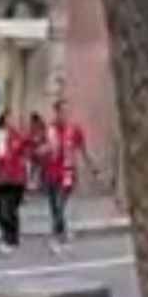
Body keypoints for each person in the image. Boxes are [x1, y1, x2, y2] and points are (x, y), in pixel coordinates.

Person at [40, 98, 96, 255]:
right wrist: (43, 150)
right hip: (51, 174)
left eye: (67, 111)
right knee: (54, 208)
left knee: (59, 205)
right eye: (62, 111)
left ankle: (55, 238)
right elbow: (38, 150)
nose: (65, 115)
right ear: (56, 112)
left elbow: (83, 149)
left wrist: (92, 167)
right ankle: (62, 232)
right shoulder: (49, 130)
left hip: (67, 174)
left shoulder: (74, 130)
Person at [0, 113, 30, 252]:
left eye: (13, 119)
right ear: (4, 120)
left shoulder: (18, 136)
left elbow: (27, 151)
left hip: (17, 178)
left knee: (9, 210)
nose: (12, 121)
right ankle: (10, 237)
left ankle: (10, 238)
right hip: (3, 177)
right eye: (9, 118)